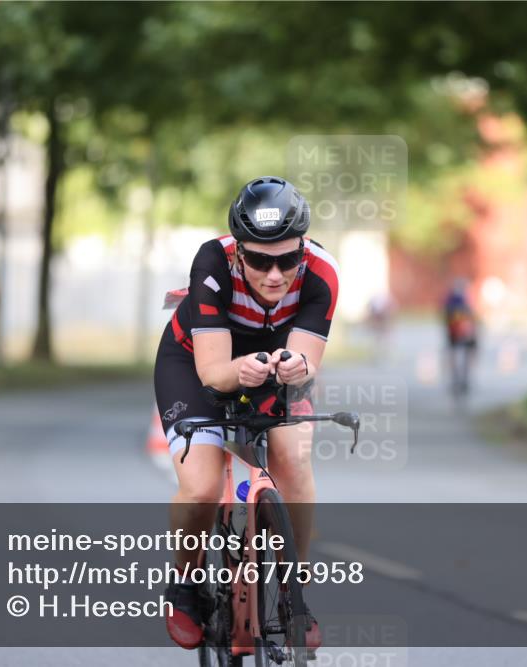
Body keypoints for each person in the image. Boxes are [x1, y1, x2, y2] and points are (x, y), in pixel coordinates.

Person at [154, 176, 339, 650]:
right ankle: (186, 585)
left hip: (273, 364)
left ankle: (293, 594)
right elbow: (216, 374)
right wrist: (242, 370)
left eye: (288, 259)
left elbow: (305, 360)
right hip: (198, 361)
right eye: (259, 259)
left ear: (304, 248)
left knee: (294, 459)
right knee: (201, 483)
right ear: (238, 252)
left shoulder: (322, 273)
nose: (275, 274)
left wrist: (297, 367)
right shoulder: (212, 262)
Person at [443, 278, 479, 398]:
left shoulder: (450, 298)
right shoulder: (468, 298)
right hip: (465, 330)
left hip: (454, 330)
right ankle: (462, 378)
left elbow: (445, 314)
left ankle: (458, 378)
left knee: (455, 353)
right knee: (467, 354)